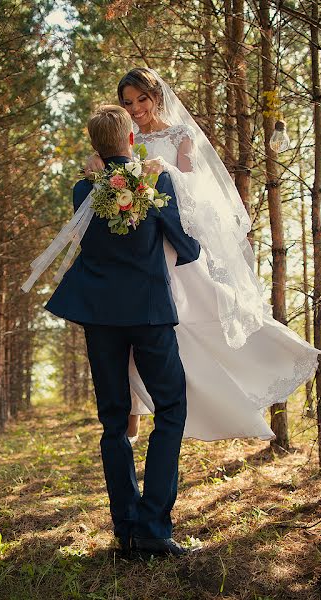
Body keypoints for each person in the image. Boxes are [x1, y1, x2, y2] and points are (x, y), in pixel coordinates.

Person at [84, 68, 321, 443]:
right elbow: (107, 175)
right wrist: (96, 167)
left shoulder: (181, 136)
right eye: (128, 103)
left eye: (142, 100)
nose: (136, 108)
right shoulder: (123, 139)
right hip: (135, 246)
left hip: (169, 241)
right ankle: (129, 424)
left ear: (156, 96)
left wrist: (161, 173)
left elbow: (194, 187)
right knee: (132, 327)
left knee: (202, 311)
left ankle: (253, 375)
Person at [43, 105, 201, 558]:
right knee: (171, 408)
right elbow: (182, 243)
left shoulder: (82, 190)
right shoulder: (154, 182)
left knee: (114, 421)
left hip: (100, 316)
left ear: (95, 147)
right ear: (132, 139)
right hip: (150, 313)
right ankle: (153, 526)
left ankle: (125, 528)